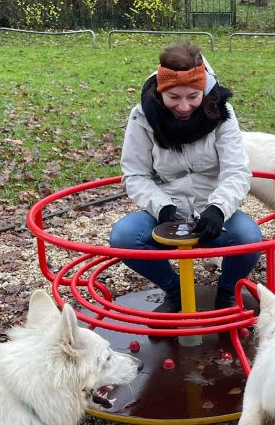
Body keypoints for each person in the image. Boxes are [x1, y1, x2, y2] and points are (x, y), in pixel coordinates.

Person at [110, 43, 262, 313]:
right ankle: (174, 290)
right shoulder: (143, 117)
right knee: (124, 237)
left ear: (203, 89)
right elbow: (135, 174)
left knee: (249, 238)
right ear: (160, 92)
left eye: (193, 96)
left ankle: (227, 292)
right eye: (174, 97)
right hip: (167, 206)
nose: (183, 106)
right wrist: (162, 207)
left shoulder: (221, 113)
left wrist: (218, 209)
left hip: (212, 208)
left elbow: (236, 170)